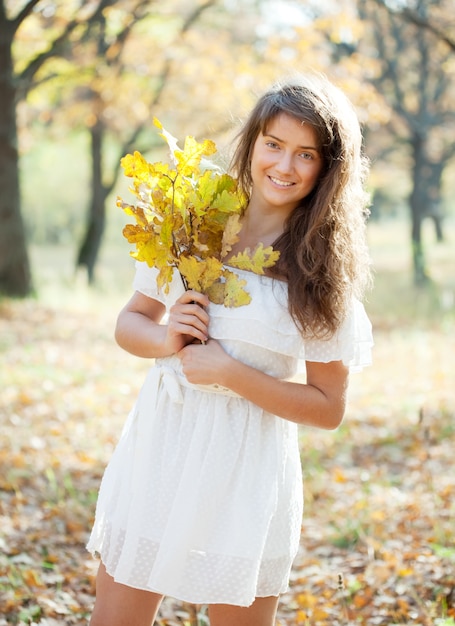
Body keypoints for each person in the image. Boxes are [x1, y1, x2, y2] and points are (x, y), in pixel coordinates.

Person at [87, 73, 373, 626]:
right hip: (161, 451)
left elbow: (328, 406)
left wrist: (230, 372)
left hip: (248, 473)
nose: (284, 167)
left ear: (327, 168)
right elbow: (131, 323)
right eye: (273, 144)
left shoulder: (321, 274)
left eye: (305, 154)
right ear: (253, 142)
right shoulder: (191, 224)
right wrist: (165, 338)